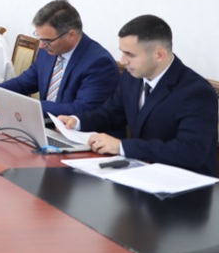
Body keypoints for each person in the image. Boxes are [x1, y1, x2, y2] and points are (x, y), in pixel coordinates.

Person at [58, 15, 217, 176]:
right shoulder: (132, 77)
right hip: (140, 172)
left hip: (185, 182)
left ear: (159, 55)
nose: (122, 61)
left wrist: (122, 147)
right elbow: (112, 113)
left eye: (130, 54)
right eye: (122, 52)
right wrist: (77, 122)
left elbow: (190, 151)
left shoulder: (196, 92)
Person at [0, 0, 118, 118]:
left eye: (48, 40)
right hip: (46, 125)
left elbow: (82, 109)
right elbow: (25, 82)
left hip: (82, 136)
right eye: (40, 37)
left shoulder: (99, 63)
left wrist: (25, 106)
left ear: (71, 35)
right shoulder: (48, 51)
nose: (41, 45)